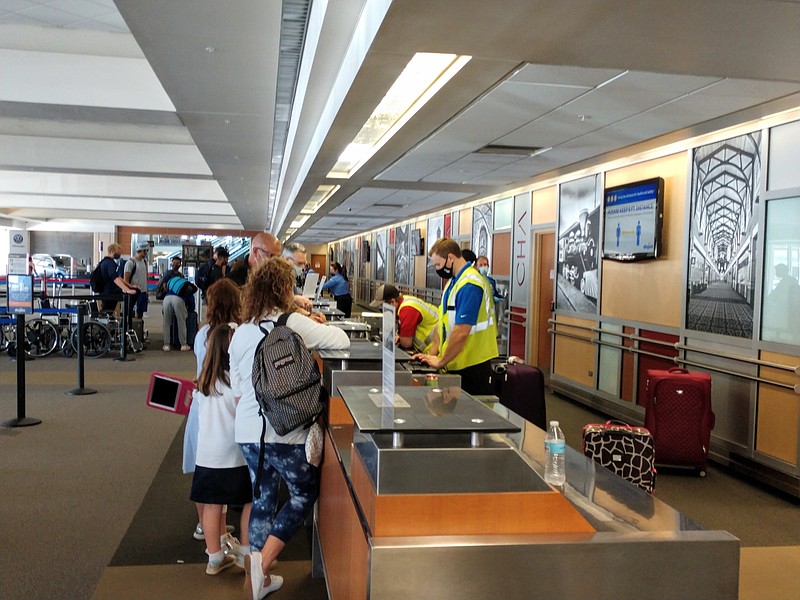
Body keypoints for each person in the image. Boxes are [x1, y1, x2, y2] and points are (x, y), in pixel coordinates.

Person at [230, 257, 349, 600]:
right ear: (286, 289)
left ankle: (259, 579)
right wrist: (318, 323)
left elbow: (239, 389)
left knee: (262, 497)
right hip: (287, 432)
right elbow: (341, 342)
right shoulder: (294, 322)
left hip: (249, 434)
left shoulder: (242, 331)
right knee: (302, 494)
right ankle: (263, 563)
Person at [191, 324, 252, 576]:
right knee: (249, 501)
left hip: (207, 456)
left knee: (212, 505)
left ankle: (214, 558)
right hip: (235, 455)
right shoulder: (235, 384)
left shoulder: (202, 385)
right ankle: (247, 554)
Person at [187, 278, 244, 547]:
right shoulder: (236, 334)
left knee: (206, 479)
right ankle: (220, 535)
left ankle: (210, 530)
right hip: (226, 417)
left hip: (202, 408)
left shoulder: (203, 334)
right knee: (225, 480)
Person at [413, 238, 498, 395]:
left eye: (438, 264)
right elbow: (442, 323)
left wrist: (441, 361)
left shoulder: (470, 285)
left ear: (450, 258)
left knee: (470, 414)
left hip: (473, 364)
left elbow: (461, 331)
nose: (437, 269)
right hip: (455, 361)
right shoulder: (453, 283)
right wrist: (432, 355)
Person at [370, 284, 439, 353]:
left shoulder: (407, 310)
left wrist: (401, 338)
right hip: (432, 350)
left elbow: (406, 344)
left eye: (381, 306)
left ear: (393, 302)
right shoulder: (403, 302)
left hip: (437, 351)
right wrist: (400, 336)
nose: (382, 310)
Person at [162, 271, 196, 351]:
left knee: (166, 322)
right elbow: (191, 300)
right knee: (181, 321)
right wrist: (191, 310)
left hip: (167, 299)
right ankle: (183, 345)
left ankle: (166, 345)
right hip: (178, 300)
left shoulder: (171, 283)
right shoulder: (185, 285)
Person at [99, 243, 136, 312]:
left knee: (108, 312)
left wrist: (128, 285)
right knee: (107, 312)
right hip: (109, 294)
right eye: (118, 252)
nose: (119, 255)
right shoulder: (109, 263)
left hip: (107, 293)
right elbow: (115, 278)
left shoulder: (104, 262)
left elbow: (118, 277)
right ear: (113, 251)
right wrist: (127, 290)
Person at [124, 242, 150, 319]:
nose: (146, 253)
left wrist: (146, 291)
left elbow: (144, 278)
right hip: (134, 293)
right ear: (141, 250)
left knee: (140, 314)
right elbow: (126, 280)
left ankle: (138, 328)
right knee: (131, 314)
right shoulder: (131, 263)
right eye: (145, 251)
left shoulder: (144, 262)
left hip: (143, 293)